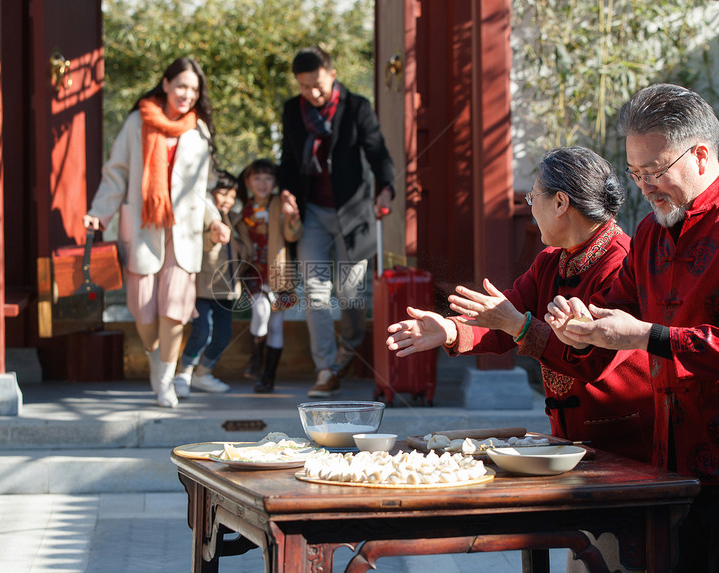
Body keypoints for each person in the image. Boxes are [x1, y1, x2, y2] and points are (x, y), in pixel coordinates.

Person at [385, 146, 655, 463]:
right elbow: (506, 313)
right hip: (569, 441)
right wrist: (450, 329)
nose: (530, 208)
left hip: (624, 443)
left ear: (560, 202)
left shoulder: (621, 261)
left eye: (533, 198)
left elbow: (594, 357)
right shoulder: (551, 261)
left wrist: (518, 325)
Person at [545, 84, 719, 572]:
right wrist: (578, 325)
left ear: (700, 156)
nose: (644, 187)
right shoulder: (649, 233)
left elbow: (641, 332)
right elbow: (613, 310)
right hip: (667, 464)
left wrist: (646, 336)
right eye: (635, 173)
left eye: (655, 172)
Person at [84, 57, 229, 409]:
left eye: (194, 89)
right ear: (165, 84)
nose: (187, 95)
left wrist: (215, 219)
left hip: (185, 234)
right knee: (143, 312)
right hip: (144, 230)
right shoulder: (137, 122)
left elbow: (204, 188)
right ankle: (157, 360)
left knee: (175, 312)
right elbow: (116, 173)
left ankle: (166, 379)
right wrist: (98, 213)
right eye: (181, 86)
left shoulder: (199, 132)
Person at [279, 46, 396, 398]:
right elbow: (286, 157)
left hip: (353, 212)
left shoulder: (357, 107)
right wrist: (286, 193)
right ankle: (325, 369)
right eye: (303, 86)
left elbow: (377, 151)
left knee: (349, 293)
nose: (311, 93)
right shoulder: (292, 111)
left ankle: (350, 346)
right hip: (312, 210)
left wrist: (386, 188)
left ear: (331, 74)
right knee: (314, 292)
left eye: (316, 84)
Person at [172, 170, 242, 397]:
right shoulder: (204, 216)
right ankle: (183, 373)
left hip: (227, 291)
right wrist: (213, 236)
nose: (227, 200)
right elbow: (201, 243)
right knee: (202, 331)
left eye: (232, 196)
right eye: (222, 193)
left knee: (222, 334)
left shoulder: (236, 219)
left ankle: (203, 373)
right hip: (202, 289)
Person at [234, 159, 303, 393]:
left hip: (279, 271)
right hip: (253, 271)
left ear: (275, 182)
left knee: (276, 325)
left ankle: (267, 377)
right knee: (261, 311)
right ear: (248, 182)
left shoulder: (279, 204)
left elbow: (292, 236)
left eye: (268, 178)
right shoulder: (242, 210)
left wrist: (293, 218)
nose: (262, 183)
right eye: (257, 178)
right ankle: (256, 361)